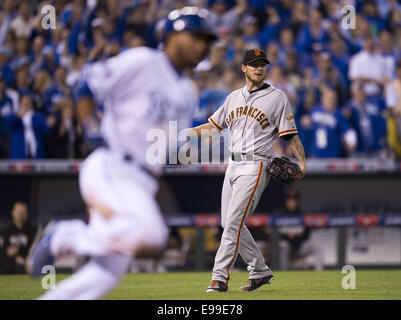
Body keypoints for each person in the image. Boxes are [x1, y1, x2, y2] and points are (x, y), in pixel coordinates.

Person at [26, 6, 217, 300]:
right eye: (195, 36)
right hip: (113, 164)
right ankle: (65, 236)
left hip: (142, 180)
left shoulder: (187, 91)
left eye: (207, 40)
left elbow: (170, 152)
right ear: (170, 36)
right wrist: (90, 124)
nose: (202, 45)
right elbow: (87, 85)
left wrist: (211, 151)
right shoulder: (143, 62)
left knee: (106, 274)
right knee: (152, 234)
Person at [186, 48, 307, 292]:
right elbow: (213, 127)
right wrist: (182, 134)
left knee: (232, 223)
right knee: (230, 223)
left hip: (256, 164)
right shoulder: (232, 98)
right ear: (244, 68)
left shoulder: (277, 97)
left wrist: (302, 162)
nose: (259, 68)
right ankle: (260, 270)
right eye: (254, 64)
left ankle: (219, 279)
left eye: (262, 64)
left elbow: (290, 136)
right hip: (232, 164)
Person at [278, 188, 323, 271]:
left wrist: (295, 237)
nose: (292, 203)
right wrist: (288, 237)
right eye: (290, 200)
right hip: (287, 246)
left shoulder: (302, 215)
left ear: (297, 202)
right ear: (286, 201)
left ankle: (320, 272)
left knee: (317, 246)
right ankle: (282, 272)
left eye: (294, 201)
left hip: (300, 245)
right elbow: (276, 235)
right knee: (283, 245)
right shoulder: (280, 214)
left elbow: (306, 235)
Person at [0, 201, 36, 274]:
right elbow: (3, 250)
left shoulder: (32, 231)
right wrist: (8, 253)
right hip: (7, 266)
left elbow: (34, 249)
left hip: (26, 265)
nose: (21, 215)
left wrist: (19, 251)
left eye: (23, 212)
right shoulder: (5, 231)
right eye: (19, 212)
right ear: (13, 212)